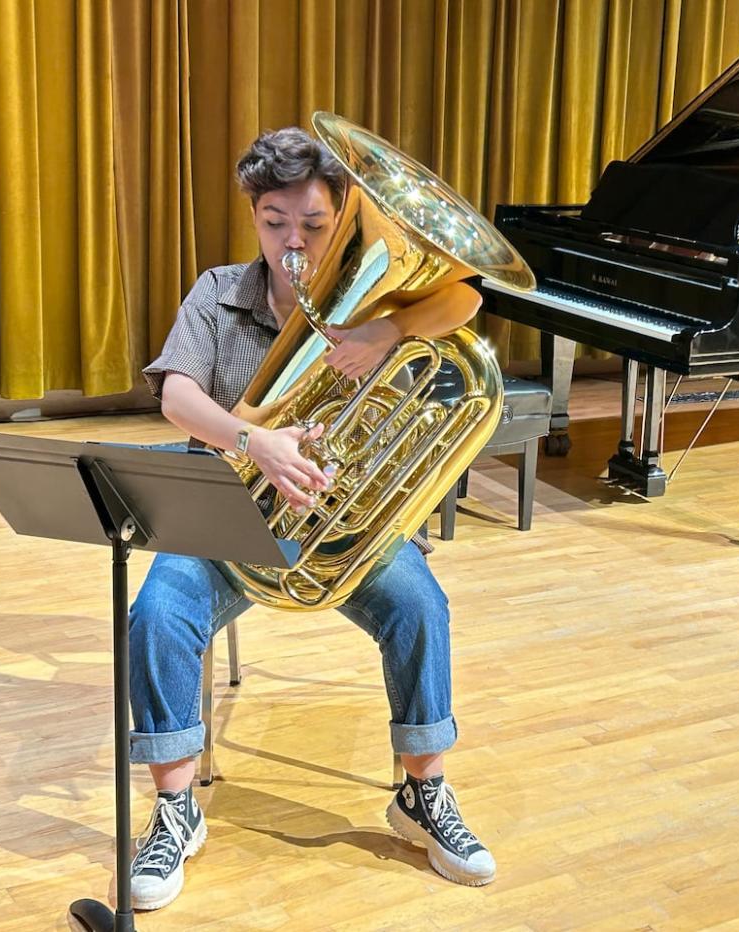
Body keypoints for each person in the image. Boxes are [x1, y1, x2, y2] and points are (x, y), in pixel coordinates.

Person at [127, 126, 494, 911]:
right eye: (273, 222)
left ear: (341, 215)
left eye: (313, 224)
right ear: (253, 216)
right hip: (228, 504)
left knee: (420, 604)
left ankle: (422, 792)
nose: (292, 242)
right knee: (157, 612)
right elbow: (176, 397)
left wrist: (387, 330)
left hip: (340, 518)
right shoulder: (217, 291)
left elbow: (467, 294)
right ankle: (174, 805)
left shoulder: (374, 296)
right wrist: (252, 439)